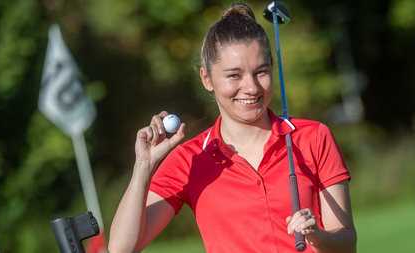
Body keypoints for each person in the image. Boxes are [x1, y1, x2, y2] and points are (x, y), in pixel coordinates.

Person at [108, 2, 356, 253]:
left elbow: (347, 243)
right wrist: (143, 166)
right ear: (207, 78)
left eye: (261, 72)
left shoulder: (313, 137)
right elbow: (122, 249)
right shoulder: (188, 160)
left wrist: (318, 237)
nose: (251, 87)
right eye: (234, 75)